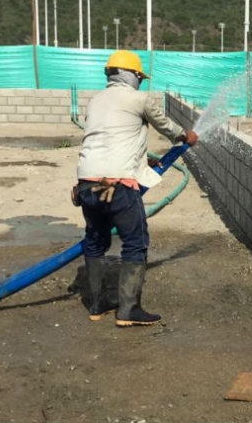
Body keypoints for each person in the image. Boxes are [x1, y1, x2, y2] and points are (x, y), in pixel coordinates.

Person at [75, 50, 198, 327]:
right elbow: (168, 127)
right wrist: (185, 136)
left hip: (86, 186)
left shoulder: (96, 101)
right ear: (131, 75)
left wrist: (145, 160)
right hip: (119, 187)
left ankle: (97, 305)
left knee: (95, 242)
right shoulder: (140, 99)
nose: (140, 82)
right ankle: (128, 310)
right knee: (135, 242)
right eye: (139, 77)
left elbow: (112, 138)